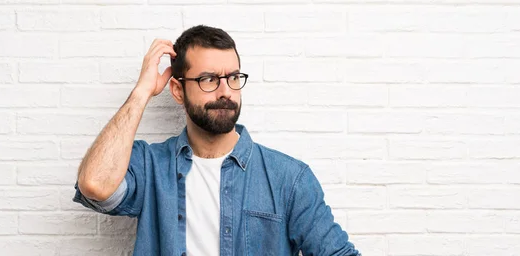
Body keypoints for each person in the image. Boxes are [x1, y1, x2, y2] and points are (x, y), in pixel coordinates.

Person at [73, 25, 360, 256]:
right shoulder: (150, 166)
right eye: (209, 79)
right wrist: (142, 92)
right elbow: (95, 185)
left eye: (233, 77)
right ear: (177, 90)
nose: (225, 91)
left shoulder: (288, 178)